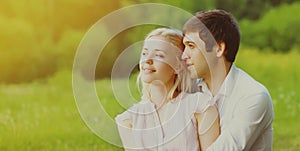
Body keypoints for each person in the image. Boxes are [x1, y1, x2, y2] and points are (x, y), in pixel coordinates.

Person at [181, 10, 274, 151]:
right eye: (184, 46)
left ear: (219, 48)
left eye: (191, 46)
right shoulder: (191, 89)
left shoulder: (253, 96)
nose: (184, 55)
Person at [115, 28, 220, 151]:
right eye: (144, 53)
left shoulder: (201, 107)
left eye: (159, 55)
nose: (147, 60)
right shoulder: (128, 120)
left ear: (178, 66)